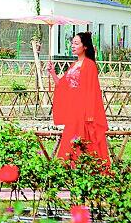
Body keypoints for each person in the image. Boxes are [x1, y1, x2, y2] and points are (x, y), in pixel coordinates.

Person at [46, 32, 110, 168]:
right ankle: (69, 172)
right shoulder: (74, 65)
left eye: (76, 43)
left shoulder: (89, 65)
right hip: (74, 112)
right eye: (72, 43)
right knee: (70, 141)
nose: (72, 46)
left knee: (85, 142)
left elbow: (92, 91)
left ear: (85, 46)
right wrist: (52, 73)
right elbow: (62, 86)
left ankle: (89, 171)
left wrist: (90, 115)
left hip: (84, 112)